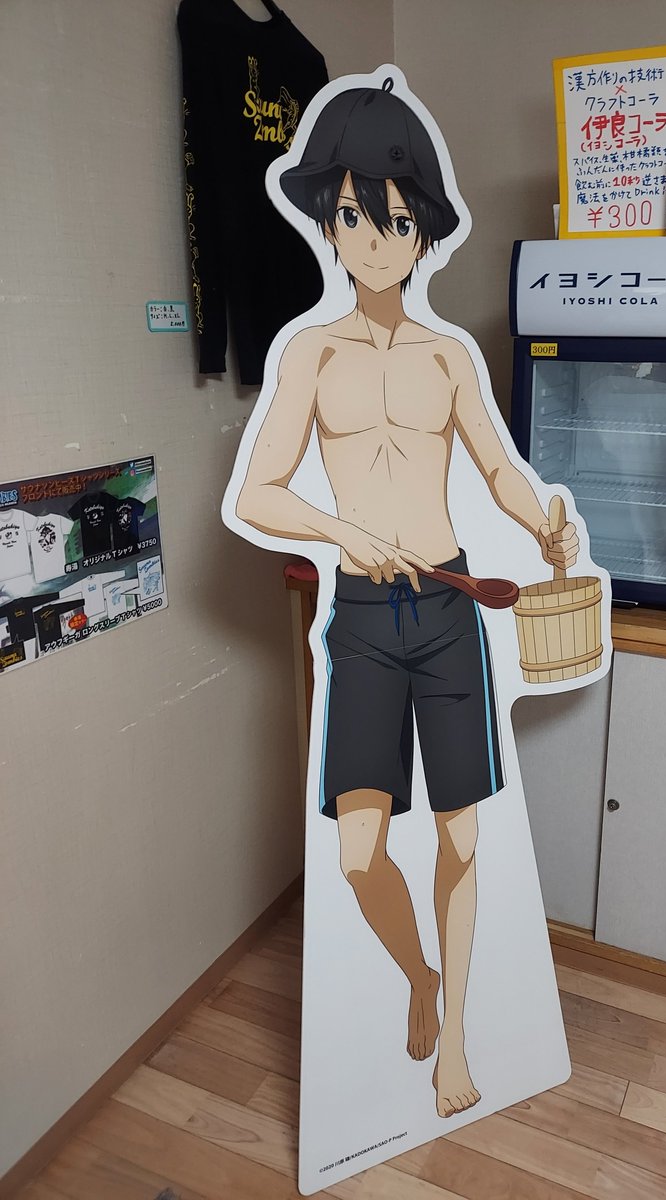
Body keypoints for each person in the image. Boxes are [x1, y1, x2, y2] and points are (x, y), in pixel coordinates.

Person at [234, 79, 577, 1118]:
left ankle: (456, 1034)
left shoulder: (448, 356)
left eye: (391, 219)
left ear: (422, 227)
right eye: (351, 216)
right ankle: (420, 977)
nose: (372, 240)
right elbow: (256, 492)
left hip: (447, 608)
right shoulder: (311, 352)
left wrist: (546, 521)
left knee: (463, 838)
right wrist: (339, 531)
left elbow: (500, 467)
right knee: (358, 854)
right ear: (329, 223)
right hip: (363, 620)